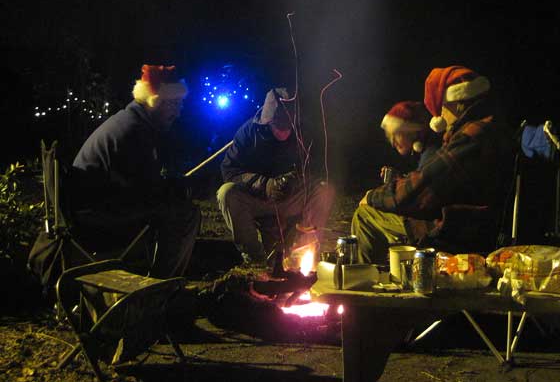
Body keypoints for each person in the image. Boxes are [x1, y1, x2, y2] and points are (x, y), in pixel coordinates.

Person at [352, 65, 516, 264]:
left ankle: (365, 286)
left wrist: (373, 196)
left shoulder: (472, 137)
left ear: (456, 102)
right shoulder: (489, 125)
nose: (439, 116)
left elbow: (424, 185)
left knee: (365, 216)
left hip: (459, 229)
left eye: (441, 108)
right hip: (471, 222)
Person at [71, 64, 202, 279]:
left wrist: (173, 185)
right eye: (174, 104)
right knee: (185, 214)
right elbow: (145, 192)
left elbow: (139, 183)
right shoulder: (133, 132)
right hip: (96, 217)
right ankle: (162, 288)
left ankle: (157, 281)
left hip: (93, 207)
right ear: (155, 101)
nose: (178, 112)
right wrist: (182, 189)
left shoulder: (133, 123)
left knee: (174, 206)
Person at [217, 87, 335, 269]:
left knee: (324, 190)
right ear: (267, 121)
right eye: (278, 127)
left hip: (290, 200)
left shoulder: (304, 132)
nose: (283, 133)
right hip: (258, 199)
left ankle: (303, 252)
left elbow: (318, 168)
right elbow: (229, 170)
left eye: (288, 127)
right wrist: (265, 185)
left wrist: (296, 179)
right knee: (227, 193)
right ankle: (255, 259)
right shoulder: (249, 133)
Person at [379, 100, 441, 180]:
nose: (393, 143)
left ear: (412, 132)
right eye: (390, 137)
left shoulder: (430, 156)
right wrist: (398, 179)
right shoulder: (422, 152)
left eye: (396, 135)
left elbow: (421, 188)